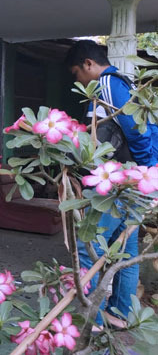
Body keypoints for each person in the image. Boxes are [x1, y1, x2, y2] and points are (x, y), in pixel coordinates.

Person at [65, 40, 156, 330]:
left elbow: (136, 131)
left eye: (77, 72)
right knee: (125, 251)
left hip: (117, 182)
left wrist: (146, 170)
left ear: (89, 64)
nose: (78, 79)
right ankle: (119, 316)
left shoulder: (107, 83)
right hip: (131, 181)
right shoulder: (125, 83)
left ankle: (92, 318)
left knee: (88, 246)